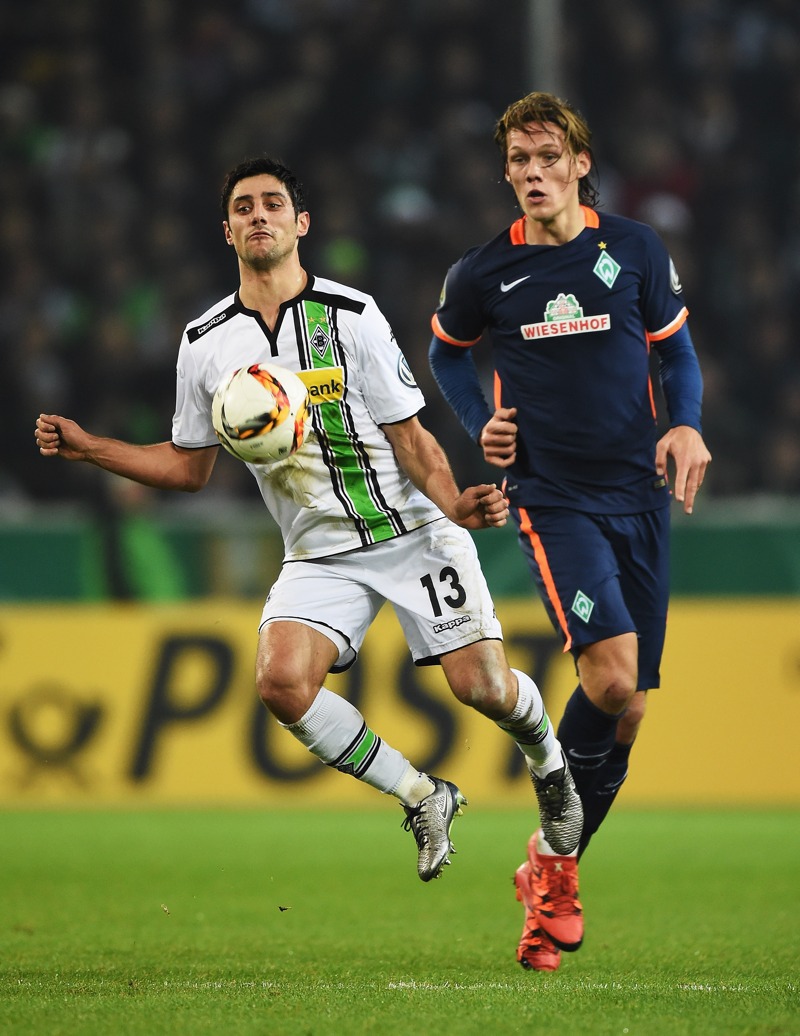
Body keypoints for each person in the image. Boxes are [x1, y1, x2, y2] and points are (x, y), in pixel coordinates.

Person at [36, 155, 583, 889]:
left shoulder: (352, 316)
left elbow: (411, 438)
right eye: (242, 207)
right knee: (281, 684)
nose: (257, 215)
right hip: (319, 553)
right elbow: (190, 469)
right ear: (226, 231)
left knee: (480, 688)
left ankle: (549, 765)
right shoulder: (204, 343)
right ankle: (423, 795)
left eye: (272, 204)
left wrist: (453, 502)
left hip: (413, 532)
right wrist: (90, 447)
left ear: (302, 223)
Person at [428, 93, 711, 969]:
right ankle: (556, 852)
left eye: (548, 156)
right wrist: (481, 422)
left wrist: (686, 423)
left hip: (640, 494)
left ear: (580, 164)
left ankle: (550, 871)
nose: (533, 173)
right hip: (552, 500)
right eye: (519, 161)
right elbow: (446, 351)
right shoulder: (484, 272)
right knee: (613, 675)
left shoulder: (633, 249)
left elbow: (675, 350)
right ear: (506, 173)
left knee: (625, 716)